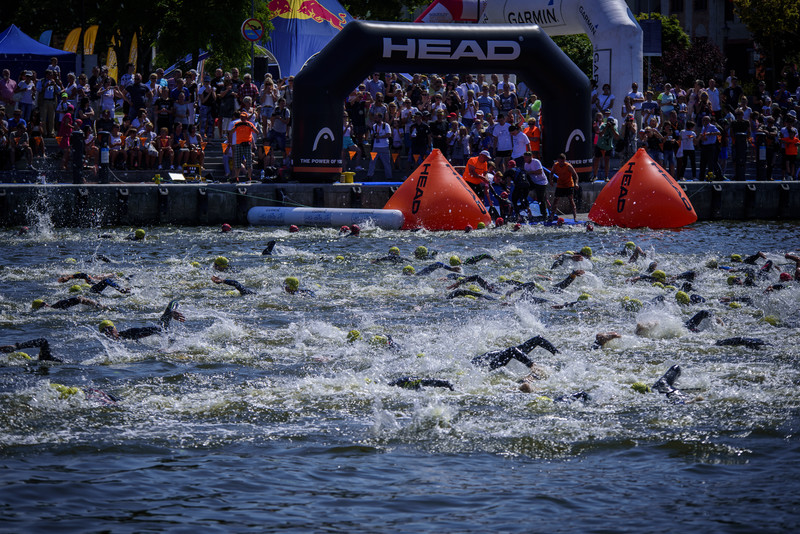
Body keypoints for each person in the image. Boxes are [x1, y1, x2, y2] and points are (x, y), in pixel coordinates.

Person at [99, 300, 185, 340]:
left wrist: (167, 345)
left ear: (115, 328)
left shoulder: (129, 334)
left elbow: (157, 329)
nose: (108, 332)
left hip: (163, 332)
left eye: (110, 329)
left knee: (170, 309)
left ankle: (172, 311)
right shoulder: (112, 345)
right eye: (104, 331)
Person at [471, 335, 558, 371]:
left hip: (497, 354)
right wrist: (533, 366)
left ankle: (558, 354)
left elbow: (512, 350)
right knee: (512, 351)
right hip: (487, 364)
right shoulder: (489, 368)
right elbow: (511, 350)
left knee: (538, 339)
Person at [229, 111, 258, 182]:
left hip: (247, 144)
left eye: (244, 117)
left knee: (249, 161)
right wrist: (236, 127)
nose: (242, 118)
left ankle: (249, 177)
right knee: (237, 161)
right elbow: (231, 132)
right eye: (241, 117)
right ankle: (236, 177)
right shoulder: (237, 124)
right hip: (238, 144)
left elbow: (257, 132)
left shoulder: (249, 124)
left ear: (246, 118)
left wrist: (250, 127)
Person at [550, 153, 579, 221]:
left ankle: (575, 217)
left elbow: (575, 175)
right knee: (556, 200)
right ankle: (551, 216)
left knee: (571, 200)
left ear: (565, 160)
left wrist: (576, 183)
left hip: (569, 184)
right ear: (558, 160)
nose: (561, 163)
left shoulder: (568, 166)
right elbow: (551, 173)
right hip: (560, 184)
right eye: (560, 161)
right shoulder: (555, 165)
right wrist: (551, 180)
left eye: (563, 161)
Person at [367, 113, 392, 180]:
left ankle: (389, 177)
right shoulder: (374, 126)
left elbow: (389, 134)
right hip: (376, 147)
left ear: (380, 118)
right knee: (372, 162)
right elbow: (372, 136)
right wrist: (374, 135)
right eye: (375, 118)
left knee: (386, 163)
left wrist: (380, 137)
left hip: (384, 147)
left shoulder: (386, 125)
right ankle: (369, 176)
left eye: (376, 118)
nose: (375, 119)